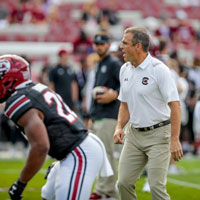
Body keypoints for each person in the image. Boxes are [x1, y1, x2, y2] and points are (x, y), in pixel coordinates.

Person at [0, 54, 113, 200]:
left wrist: (21, 182)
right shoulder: (36, 88)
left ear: (10, 78)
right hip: (77, 146)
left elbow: (41, 147)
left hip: (78, 152)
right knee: (48, 196)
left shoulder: (19, 100)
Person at [113, 27, 183, 200]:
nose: (121, 47)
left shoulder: (159, 69)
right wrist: (118, 127)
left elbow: (175, 106)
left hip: (159, 135)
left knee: (156, 187)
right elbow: (124, 103)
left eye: (125, 43)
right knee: (123, 183)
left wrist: (174, 140)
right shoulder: (125, 69)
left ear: (138, 46)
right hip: (134, 135)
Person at [89, 32, 122, 199]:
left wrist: (114, 94)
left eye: (102, 43)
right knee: (98, 154)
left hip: (109, 115)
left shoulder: (114, 63)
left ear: (108, 45)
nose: (99, 46)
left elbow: (127, 85)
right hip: (98, 115)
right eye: (96, 43)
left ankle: (104, 191)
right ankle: (106, 190)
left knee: (106, 154)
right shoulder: (100, 63)